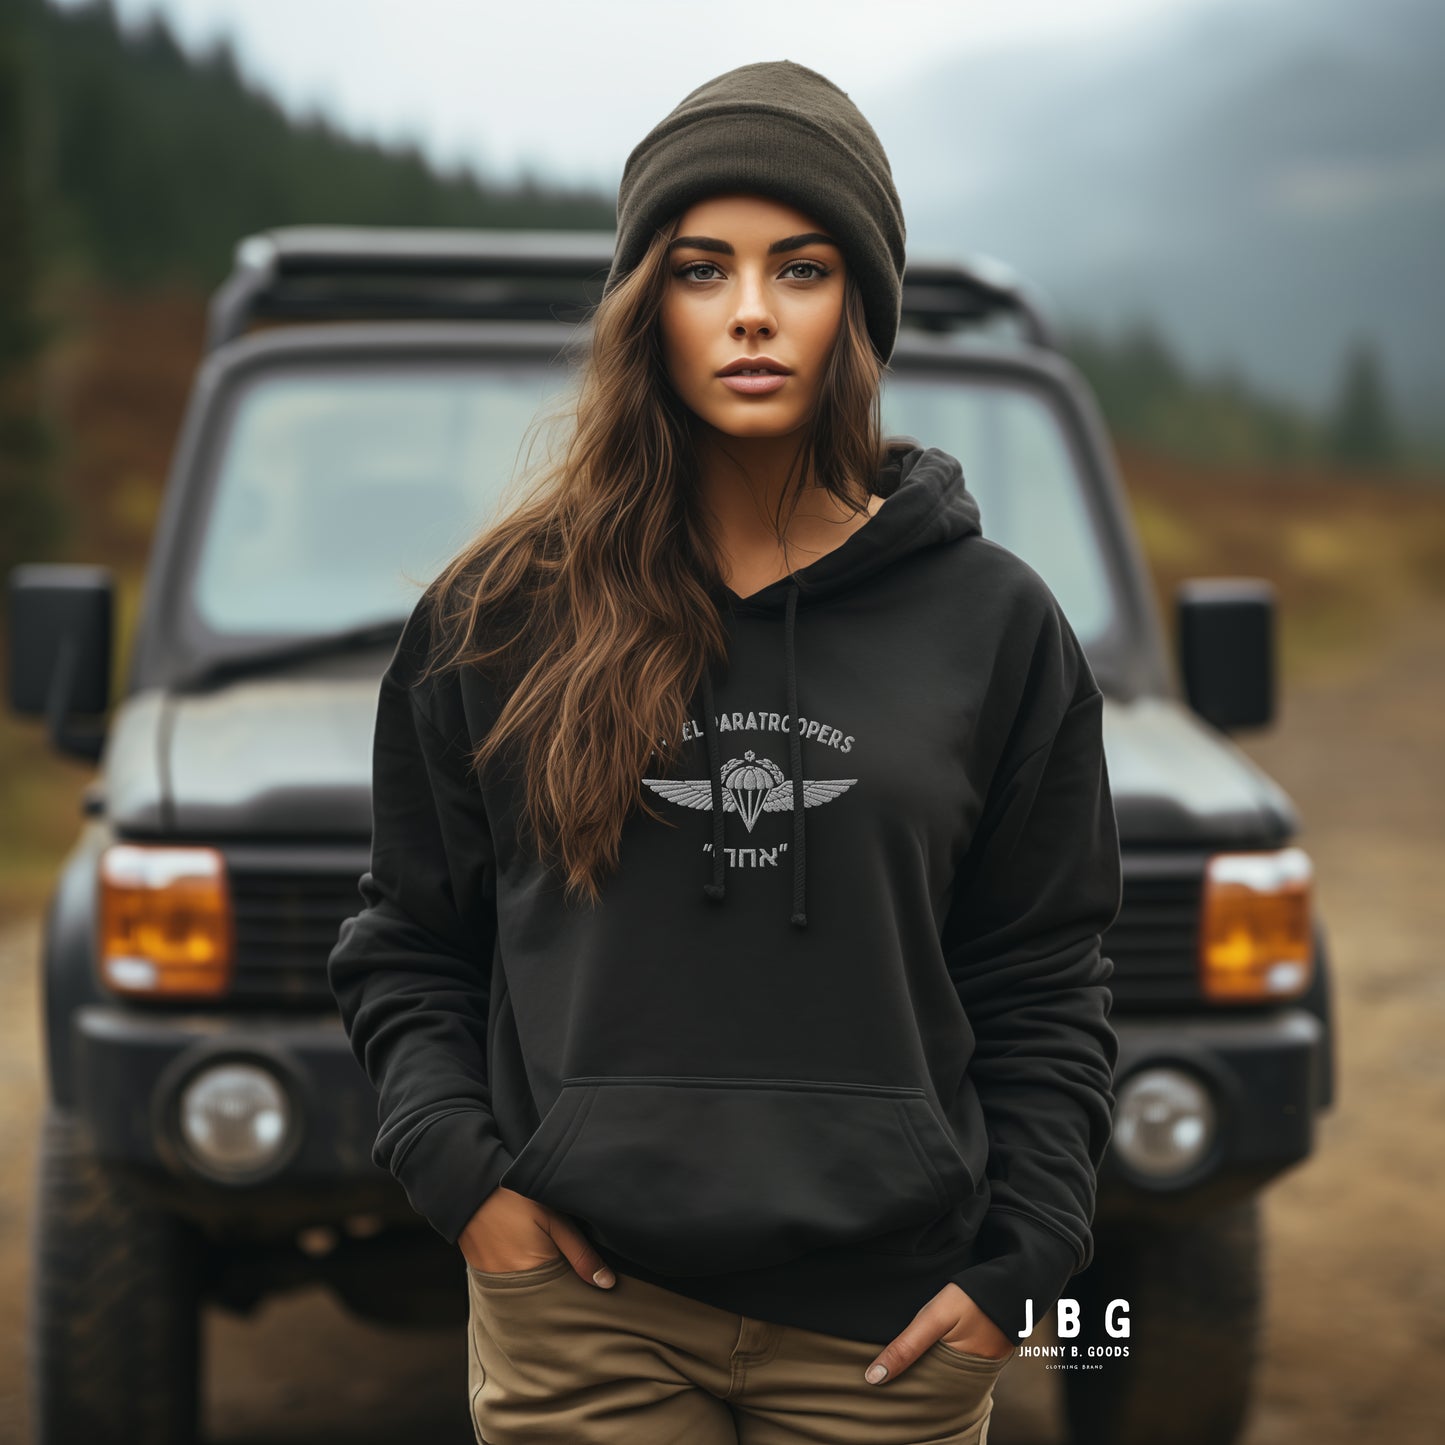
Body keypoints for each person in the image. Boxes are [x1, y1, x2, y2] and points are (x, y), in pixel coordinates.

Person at [328, 58, 1122, 1445]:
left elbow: (1044, 971)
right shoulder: (498, 616)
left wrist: (1020, 1267)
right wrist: (467, 1183)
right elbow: (410, 943)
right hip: (586, 1306)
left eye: (800, 269)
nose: (750, 312)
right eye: (702, 269)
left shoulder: (994, 624)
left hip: (889, 1324)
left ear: (858, 309)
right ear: (647, 305)